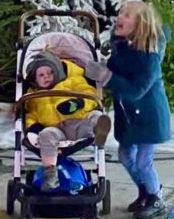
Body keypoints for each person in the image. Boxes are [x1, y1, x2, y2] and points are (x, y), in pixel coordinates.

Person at [91, 0, 170, 219]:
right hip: (128, 115)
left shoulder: (150, 56)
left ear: (141, 25)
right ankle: (145, 190)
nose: (120, 17)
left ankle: (156, 197)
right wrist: (103, 68)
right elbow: (116, 70)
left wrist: (107, 77)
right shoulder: (122, 46)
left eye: (127, 15)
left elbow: (137, 90)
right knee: (126, 157)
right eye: (120, 13)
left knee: (144, 161)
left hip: (149, 116)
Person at [22, 48, 111, 189]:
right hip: (57, 131)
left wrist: (78, 103)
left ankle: (100, 131)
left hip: (80, 122)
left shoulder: (72, 82)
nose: (47, 76)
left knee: (95, 116)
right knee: (46, 135)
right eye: (41, 75)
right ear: (34, 79)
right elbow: (30, 115)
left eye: (51, 72)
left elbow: (91, 94)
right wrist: (33, 127)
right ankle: (50, 175)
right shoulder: (34, 96)